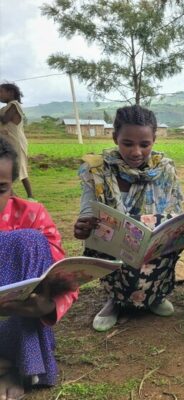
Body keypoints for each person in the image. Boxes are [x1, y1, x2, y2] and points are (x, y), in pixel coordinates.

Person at [73, 105, 184, 332]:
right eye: (128, 143)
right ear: (115, 138)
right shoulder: (97, 171)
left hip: (153, 251)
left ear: (154, 140)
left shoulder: (164, 170)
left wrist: (183, 227)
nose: (136, 152)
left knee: (162, 234)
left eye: (145, 144)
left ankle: (154, 296)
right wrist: (83, 226)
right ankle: (114, 301)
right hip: (114, 248)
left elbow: (175, 209)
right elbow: (88, 210)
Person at [0, 136, 78, 399]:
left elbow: (61, 272)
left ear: (12, 187)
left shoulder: (31, 215)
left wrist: (48, 305)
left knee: (29, 240)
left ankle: (17, 364)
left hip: (16, 326)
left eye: (0, 189)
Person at [0, 83, 33, 199]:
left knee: (19, 168)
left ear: (11, 93)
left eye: (1, 91)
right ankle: (14, 196)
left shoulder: (14, 105)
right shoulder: (6, 107)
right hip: (8, 143)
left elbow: (4, 120)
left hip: (16, 143)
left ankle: (28, 196)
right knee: (10, 168)